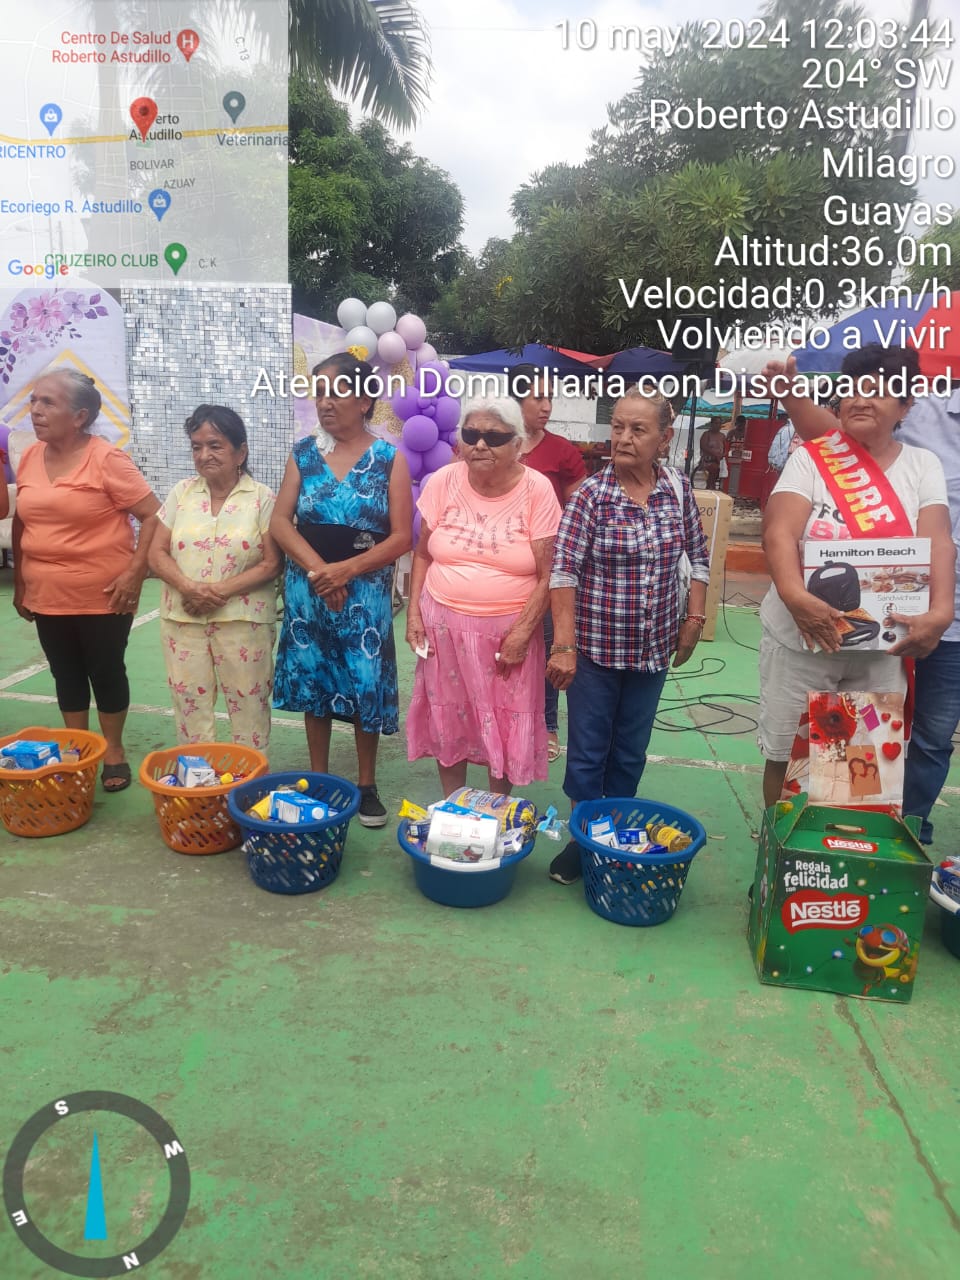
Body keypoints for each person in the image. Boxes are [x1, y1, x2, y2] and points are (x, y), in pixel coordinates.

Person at [757, 345, 955, 809]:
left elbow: (939, 541)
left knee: (855, 773)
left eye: (880, 391)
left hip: (879, 651)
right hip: (801, 640)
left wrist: (941, 612)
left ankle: (833, 852)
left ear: (906, 406)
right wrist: (793, 595)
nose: (862, 400)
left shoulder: (922, 465)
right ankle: (779, 851)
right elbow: (779, 531)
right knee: (788, 762)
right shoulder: (811, 458)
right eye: (852, 390)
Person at [545, 390, 711, 884]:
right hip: (595, 651)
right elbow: (563, 572)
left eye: (638, 430)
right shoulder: (592, 496)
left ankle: (613, 832)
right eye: (618, 427)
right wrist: (564, 646)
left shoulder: (677, 489)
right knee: (588, 750)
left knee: (631, 750)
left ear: (664, 438)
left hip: (653, 649)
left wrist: (694, 618)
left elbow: (699, 557)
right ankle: (581, 840)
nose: (623, 438)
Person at [271, 354, 412, 827]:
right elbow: (281, 522)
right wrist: (320, 573)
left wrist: (345, 572)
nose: (325, 402)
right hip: (309, 592)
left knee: (363, 683)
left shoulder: (389, 459)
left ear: (365, 400)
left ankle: (366, 784)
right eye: (319, 393)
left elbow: (401, 537)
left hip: (364, 595)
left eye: (336, 392)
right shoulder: (303, 454)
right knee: (315, 682)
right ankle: (319, 778)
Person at [11, 369, 160, 791]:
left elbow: (153, 515)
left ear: (79, 417)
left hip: (105, 593)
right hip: (46, 591)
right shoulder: (30, 456)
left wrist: (135, 573)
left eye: (47, 403)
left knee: (105, 670)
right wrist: (21, 583)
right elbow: (22, 521)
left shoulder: (107, 459)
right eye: (34, 401)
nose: (35, 410)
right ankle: (77, 748)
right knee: (65, 673)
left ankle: (112, 750)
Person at [405, 396, 561, 794]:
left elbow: (549, 575)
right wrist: (414, 615)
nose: (479, 445)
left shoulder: (538, 490)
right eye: (471, 434)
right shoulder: (443, 481)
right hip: (442, 630)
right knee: (447, 716)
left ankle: (496, 809)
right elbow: (422, 554)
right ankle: (453, 806)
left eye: (494, 437)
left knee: (506, 720)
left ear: (518, 444)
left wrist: (523, 633)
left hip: (507, 635)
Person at [148, 405, 281, 749]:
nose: (204, 455)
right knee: (190, 708)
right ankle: (198, 780)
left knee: (250, 707)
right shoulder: (182, 493)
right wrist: (189, 587)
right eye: (197, 446)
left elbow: (272, 563)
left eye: (215, 445)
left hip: (243, 622)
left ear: (241, 452)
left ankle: (250, 780)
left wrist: (216, 591)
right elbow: (156, 552)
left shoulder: (263, 498)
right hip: (184, 619)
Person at [507, 363, 586, 763]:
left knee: (550, 645)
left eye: (549, 398)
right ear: (515, 400)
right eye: (537, 397)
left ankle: (548, 724)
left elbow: (579, 510)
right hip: (501, 568)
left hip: (548, 569)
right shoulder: (492, 443)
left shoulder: (562, 451)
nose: (546, 406)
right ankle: (504, 718)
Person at [697, 420, 726, 489]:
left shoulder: (722, 436)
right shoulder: (706, 434)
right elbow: (703, 447)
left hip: (720, 460)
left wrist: (723, 455)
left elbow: (726, 447)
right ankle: (710, 486)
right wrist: (715, 454)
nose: (718, 425)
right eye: (716, 423)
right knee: (714, 468)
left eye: (719, 423)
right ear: (711, 424)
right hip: (708, 460)